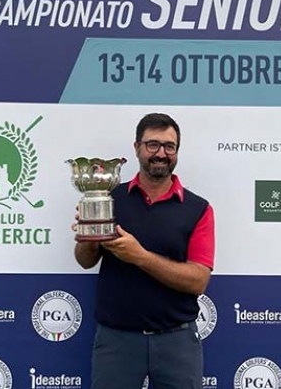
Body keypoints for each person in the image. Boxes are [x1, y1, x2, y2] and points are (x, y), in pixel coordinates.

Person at [74, 112, 215, 389]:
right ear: (137, 147)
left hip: (177, 342)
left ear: (176, 152)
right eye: (153, 144)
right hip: (117, 341)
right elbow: (84, 261)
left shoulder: (198, 209)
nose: (161, 153)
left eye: (169, 146)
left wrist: (140, 256)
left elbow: (198, 280)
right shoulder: (109, 199)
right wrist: (88, 234)